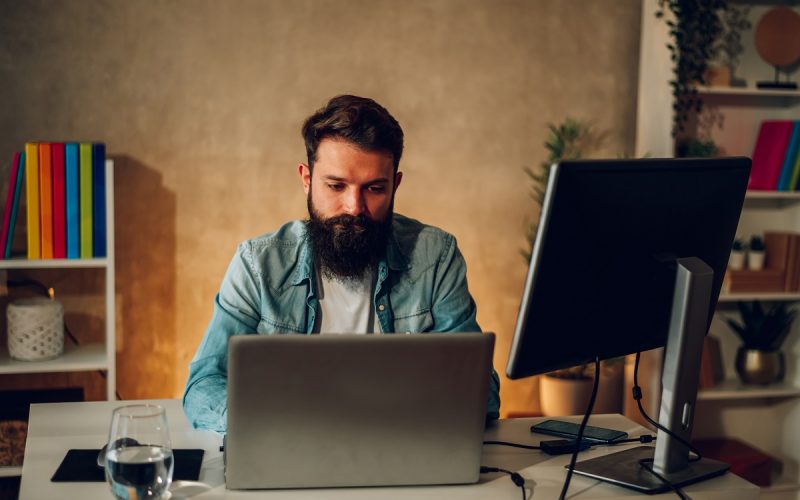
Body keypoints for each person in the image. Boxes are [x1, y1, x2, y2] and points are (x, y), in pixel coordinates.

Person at [183, 95, 500, 432]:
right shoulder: (257, 264)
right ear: (306, 178)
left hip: (400, 449)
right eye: (336, 186)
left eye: (375, 188)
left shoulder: (435, 257)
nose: (354, 207)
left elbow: (484, 394)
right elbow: (203, 385)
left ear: (396, 184)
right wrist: (277, 427)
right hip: (291, 447)